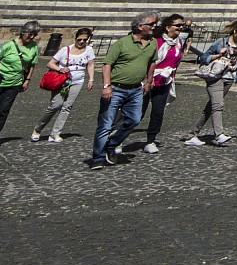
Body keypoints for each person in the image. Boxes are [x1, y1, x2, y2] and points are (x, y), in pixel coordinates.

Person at [88, 14, 159, 167]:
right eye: (152, 23)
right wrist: (107, 86)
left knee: (134, 119)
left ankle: (111, 145)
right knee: (105, 124)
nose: (155, 26)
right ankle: (97, 158)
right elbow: (107, 64)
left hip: (135, 89)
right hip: (116, 88)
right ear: (140, 26)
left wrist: (148, 81)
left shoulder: (153, 43)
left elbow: (152, 62)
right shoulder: (122, 43)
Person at [187, 20, 237, 145]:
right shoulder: (220, 42)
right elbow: (204, 57)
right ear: (235, 31)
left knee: (211, 106)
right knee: (218, 105)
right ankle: (219, 135)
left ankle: (192, 135)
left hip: (229, 78)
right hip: (215, 77)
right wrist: (217, 55)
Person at [0, 21, 42, 145]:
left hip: (15, 83)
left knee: (3, 110)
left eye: (34, 35)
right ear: (23, 32)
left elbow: (32, 65)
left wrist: (27, 80)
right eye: (30, 34)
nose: (31, 37)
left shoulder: (34, 46)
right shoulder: (9, 45)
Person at [29, 28, 95, 142]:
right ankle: (38, 128)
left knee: (67, 107)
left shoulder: (89, 50)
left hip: (78, 81)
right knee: (55, 105)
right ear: (75, 38)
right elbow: (50, 63)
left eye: (85, 40)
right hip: (62, 80)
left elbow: (90, 65)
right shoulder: (66, 50)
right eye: (79, 39)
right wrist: (60, 69)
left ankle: (55, 133)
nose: (82, 42)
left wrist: (91, 79)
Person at [136, 15, 190, 152]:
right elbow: (147, 60)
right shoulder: (156, 41)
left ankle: (151, 140)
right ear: (167, 27)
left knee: (158, 112)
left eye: (182, 25)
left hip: (164, 82)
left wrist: (172, 76)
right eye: (177, 25)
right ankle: (118, 137)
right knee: (137, 112)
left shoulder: (179, 42)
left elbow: (176, 62)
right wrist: (148, 78)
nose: (180, 28)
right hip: (149, 80)